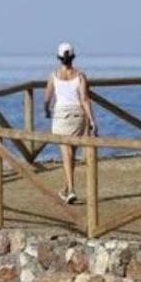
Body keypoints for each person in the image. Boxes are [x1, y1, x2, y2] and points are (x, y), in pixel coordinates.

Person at [43, 42, 97, 203]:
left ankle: (72, 189)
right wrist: (92, 120)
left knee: (66, 152)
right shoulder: (80, 76)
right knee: (70, 153)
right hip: (78, 115)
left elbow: (47, 98)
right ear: (73, 57)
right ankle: (66, 189)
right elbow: (85, 100)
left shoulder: (53, 75)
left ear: (59, 58)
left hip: (61, 116)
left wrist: (46, 111)